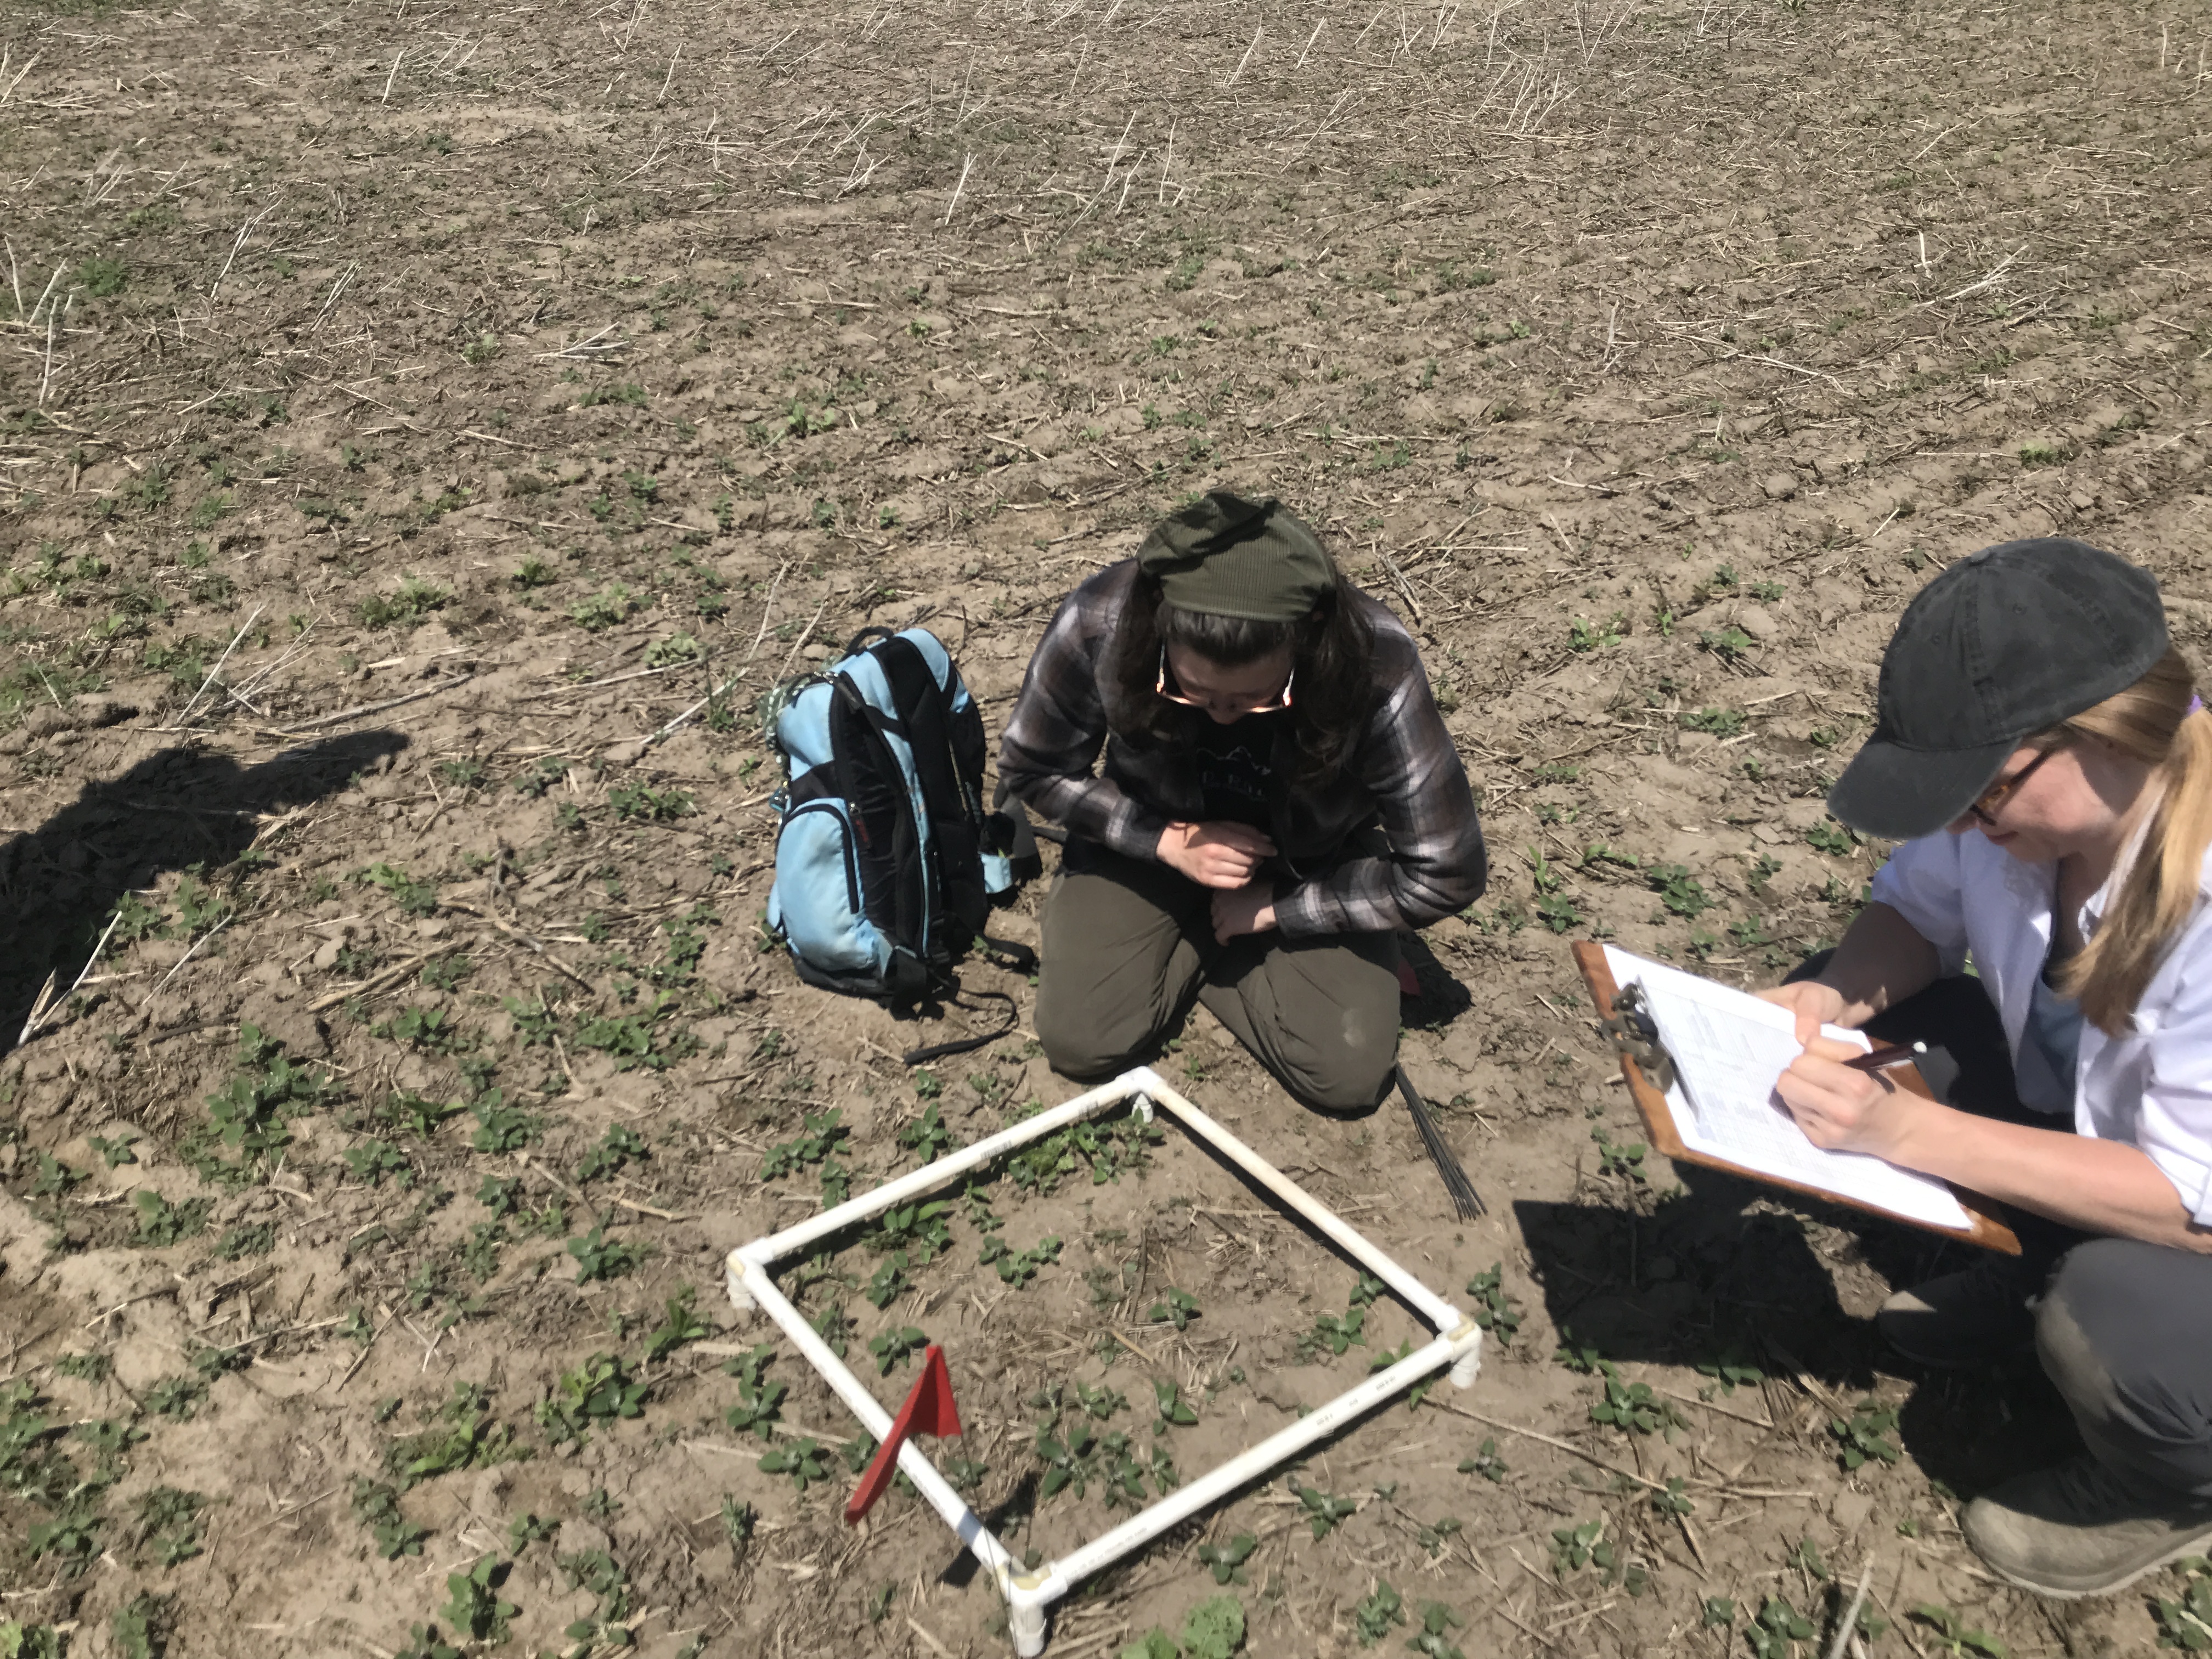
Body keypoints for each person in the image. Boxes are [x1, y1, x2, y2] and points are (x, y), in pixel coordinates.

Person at [1759, 537, 2212, 1599]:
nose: (1966, 823)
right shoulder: (2019, 822)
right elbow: (1914, 914)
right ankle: (2031, 1265)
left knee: (2104, 1322)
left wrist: (1907, 1135)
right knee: (1910, 1032)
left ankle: (2177, 1479)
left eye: (1986, 793)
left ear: (2099, 735)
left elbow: (2192, 1198)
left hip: (2188, 1208)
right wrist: (1831, 997)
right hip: (2116, 1146)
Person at [997, 491, 1486, 1114]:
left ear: (1307, 638)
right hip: (1150, 837)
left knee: (1345, 1078)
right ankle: (1192, 932)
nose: (1223, 716)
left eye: (1256, 698)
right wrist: (1165, 842)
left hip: (1309, 861)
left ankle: (1211, 935)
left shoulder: (1376, 665)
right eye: (1192, 691)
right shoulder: (1103, 618)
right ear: (1161, 623)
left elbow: (1450, 870)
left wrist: (1283, 909)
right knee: (1082, 1042)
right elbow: (1032, 766)